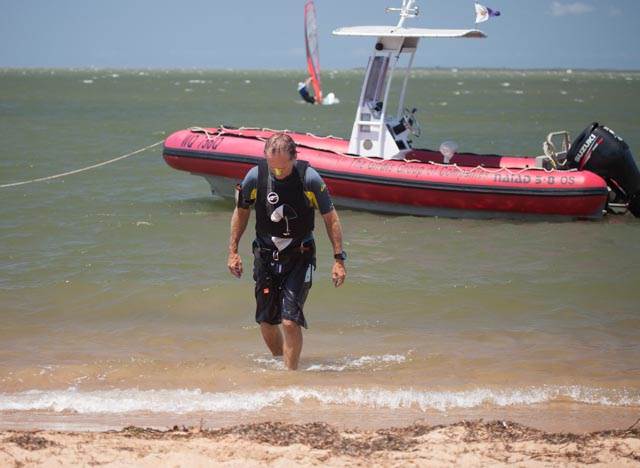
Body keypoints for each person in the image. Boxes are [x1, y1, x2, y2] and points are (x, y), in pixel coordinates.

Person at [227, 133, 346, 370]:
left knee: (290, 321)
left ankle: (290, 376)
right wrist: (233, 251)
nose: (278, 172)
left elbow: (330, 218)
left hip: (300, 256)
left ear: (294, 158)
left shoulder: (309, 179)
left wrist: (338, 259)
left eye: (283, 167)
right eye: (273, 167)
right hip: (265, 256)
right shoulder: (255, 177)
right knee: (266, 322)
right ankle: (283, 367)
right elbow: (241, 212)